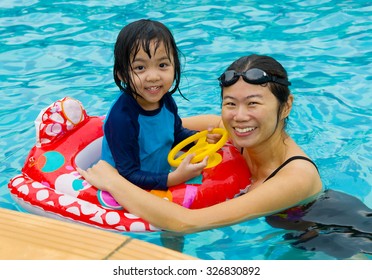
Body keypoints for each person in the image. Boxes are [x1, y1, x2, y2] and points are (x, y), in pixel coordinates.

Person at [80, 54, 372, 258]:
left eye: (253, 103)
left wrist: (114, 181)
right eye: (230, 103)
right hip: (295, 235)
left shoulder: (295, 177)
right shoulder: (236, 131)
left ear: (286, 107)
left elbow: (186, 222)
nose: (239, 117)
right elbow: (166, 128)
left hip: (339, 239)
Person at [101, 19, 208, 191]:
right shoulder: (122, 118)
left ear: (175, 65)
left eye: (162, 65)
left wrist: (199, 140)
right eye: (140, 67)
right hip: (126, 190)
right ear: (121, 74)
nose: (153, 76)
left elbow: (175, 134)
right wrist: (173, 178)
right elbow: (127, 174)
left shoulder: (166, 101)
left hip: (156, 176)